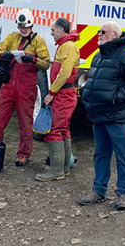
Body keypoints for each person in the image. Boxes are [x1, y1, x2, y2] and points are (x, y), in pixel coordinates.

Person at [78, 21, 125, 211]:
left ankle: (123, 194)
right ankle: (99, 191)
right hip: (99, 115)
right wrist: (87, 94)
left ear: (114, 35)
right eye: (99, 31)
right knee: (101, 154)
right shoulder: (99, 55)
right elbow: (94, 79)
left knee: (123, 157)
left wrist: (117, 98)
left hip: (118, 117)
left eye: (103, 32)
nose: (99, 34)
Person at [0, 8, 50, 166]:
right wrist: (3, 55)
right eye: (21, 27)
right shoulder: (12, 37)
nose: (23, 30)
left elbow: (46, 63)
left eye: (26, 27)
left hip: (26, 87)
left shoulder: (38, 41)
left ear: (31, 26)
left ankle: (23, 154)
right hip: (9, 85)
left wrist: (33, 60)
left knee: (25, 122)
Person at [36, 17, 80, 181]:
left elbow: (65, 73)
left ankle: (56, 170)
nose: (51, 33)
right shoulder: (66, 46)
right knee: (63, 129)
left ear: (62, 30)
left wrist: (51, 93)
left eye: (53, 30)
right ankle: (64, 167)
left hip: (63, 94)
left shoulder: (68, 47)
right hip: (64, 94)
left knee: (54, 130)